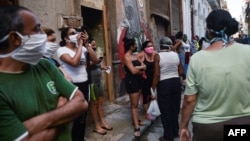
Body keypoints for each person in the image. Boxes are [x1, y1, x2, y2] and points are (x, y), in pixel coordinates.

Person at [0, 5, 88, 141]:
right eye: (37, 29)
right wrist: (63, 111)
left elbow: (81, 102)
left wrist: (36, 124)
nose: (42, 35)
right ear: (15, 38)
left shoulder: (44, 65)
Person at [180, 9, 250, 141]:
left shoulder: (197, 59)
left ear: (208, 31)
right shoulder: (248, 52)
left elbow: (189, 100)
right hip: (242, 126)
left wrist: (183, 127)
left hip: (207, 128)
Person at [56, 27, 99, 141]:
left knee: (83, 115)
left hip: (84, 83)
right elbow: (74, 62)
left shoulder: (83, 49)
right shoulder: (62, 50)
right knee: (73, 115)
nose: (76, 34)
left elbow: (95, 60)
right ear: (66, 38)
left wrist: (86, 44)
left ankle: (79, 138)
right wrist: (80, 45)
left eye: (77, 32)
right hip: (72, 86)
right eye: (72, 33)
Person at [152, 37, 183, 141]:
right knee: (175, 109)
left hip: (164, 84)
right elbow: (181, 71)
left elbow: (156, 75)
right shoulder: (176, 55)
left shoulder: (157, 56)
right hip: (175, 82)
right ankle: (175, 132)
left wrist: (153, 88)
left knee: (165, 110)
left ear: (160, 45)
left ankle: (168, 136)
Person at [122, 37, 146, 137]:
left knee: (136, 103)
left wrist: (138, 68)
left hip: (138, 80)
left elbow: (144, 66)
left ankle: (136, 121)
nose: (136, 46)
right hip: (131, 82)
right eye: (135, 44)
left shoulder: (135, 56)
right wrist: (139, 69)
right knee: (134, 104)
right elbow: (133, 71)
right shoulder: (126, 57)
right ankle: (136, 127)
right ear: (131, 46)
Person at [88, 38, 113, 135]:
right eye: (93, 45)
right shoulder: (86, 54)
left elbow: (97, 66)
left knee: (100, 102)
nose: (94, 46)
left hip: (99, 82)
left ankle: (102, 122)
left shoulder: (94, 55)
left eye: (95, 45)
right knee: (94, 104)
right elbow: (85, 66)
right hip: (92, 83)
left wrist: (104, 67)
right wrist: (95, 61)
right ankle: (96, 125)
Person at [137, 40, 156, 120]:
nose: (150, 48)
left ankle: (151, 109)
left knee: (152, 96)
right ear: (144, 48)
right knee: (145, 96)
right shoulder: (141, 55)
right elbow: (137, 66)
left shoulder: (155, 54)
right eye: (148, 46)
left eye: (151, 46)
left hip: (154, 78)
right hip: (145, 78)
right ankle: (147, 113)